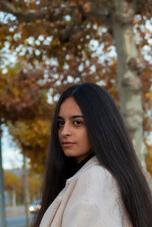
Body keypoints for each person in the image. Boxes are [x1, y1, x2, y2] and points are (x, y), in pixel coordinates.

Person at [32, 83, 152, 227]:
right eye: (60, 123)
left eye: (77, 122)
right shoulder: (112, 176)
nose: (64, 131)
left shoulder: (93, 179)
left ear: (100, 126)